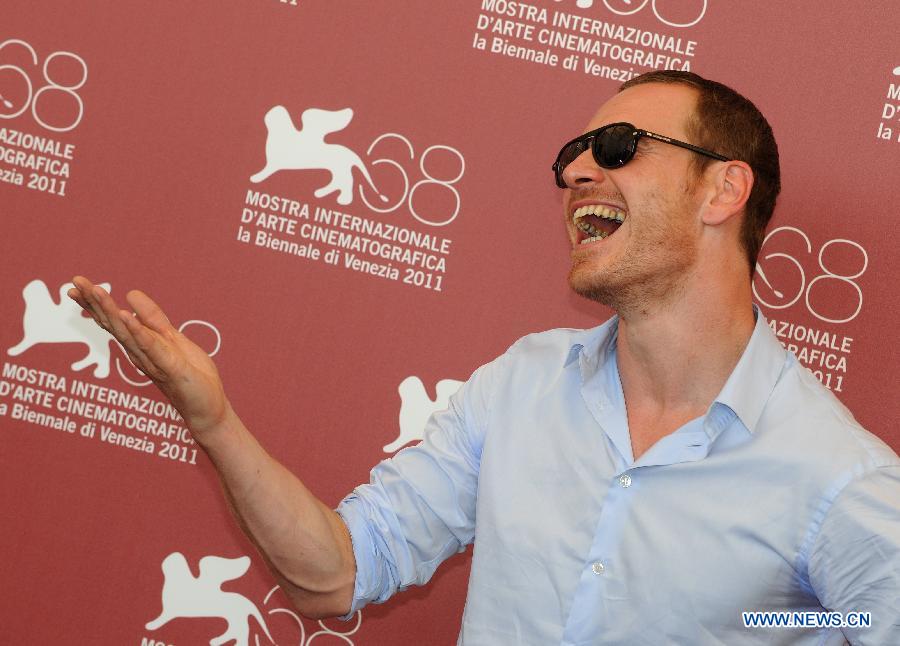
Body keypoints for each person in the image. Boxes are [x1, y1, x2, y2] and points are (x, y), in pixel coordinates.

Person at [69, 71, 899, 644]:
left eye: (617, 146)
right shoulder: (522, 386)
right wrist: (212, 421)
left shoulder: (837, 480)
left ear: (724, 190)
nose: (576, 170)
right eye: (570, 157)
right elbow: (335, 574)